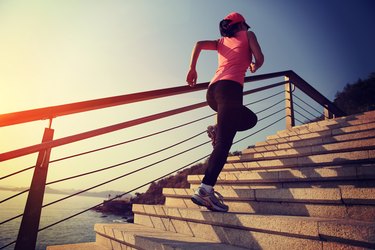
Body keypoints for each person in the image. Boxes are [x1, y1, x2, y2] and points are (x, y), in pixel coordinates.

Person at [186, 12, 264, 212]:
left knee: (249, 119)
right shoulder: (249, 35)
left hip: (213, 92)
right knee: (224, 143)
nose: (247, 28)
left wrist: (192, 69)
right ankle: (205, 191)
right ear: (242, 25)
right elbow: (260, 57)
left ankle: (217, 128)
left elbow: (198, 44)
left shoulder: (221, 41)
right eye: (245, 25)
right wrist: (255, 65)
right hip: (230, 90)